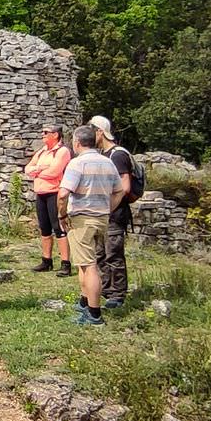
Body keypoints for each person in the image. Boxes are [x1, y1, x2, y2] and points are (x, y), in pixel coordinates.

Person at [59, 125, 122, 326]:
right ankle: (84, 301)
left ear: (77, 143)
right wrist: (107, 209)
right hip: (101, 218)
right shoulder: (108, 162)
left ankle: (94, 315)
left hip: (82, 219)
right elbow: (119, 191)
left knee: (90, 266)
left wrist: (62, 215)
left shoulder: (77, 164)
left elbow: (63, 194)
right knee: (85, 262)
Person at [89, 115, 139, 310]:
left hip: (114, 214)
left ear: (100, 132)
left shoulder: (117, 155)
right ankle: (106, 289)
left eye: (92, 131)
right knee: (100, 253)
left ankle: (117, 294)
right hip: (104, 214)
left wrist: (107, 207)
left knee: (113, 253)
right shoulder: (105, 155)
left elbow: (124, 187)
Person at [23, 124, 74, 275]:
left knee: (58, 227)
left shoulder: (62, 151)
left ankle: (65, 263)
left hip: (54, 193)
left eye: (46, 132)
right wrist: (39, 170)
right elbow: (27, 168)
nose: (42, 134)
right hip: (41, 193)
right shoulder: (42, 151)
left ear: (55, 135)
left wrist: (37, 171)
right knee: (44, 228)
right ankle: (47, 260)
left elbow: (54, 171)